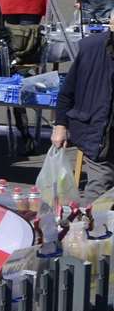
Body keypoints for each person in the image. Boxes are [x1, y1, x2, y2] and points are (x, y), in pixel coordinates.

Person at [53, 28, 114, 201]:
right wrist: (60, 125)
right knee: (99, 191)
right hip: (98, 135)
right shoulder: (91, 47)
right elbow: (67, 91)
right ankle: (91, 224)